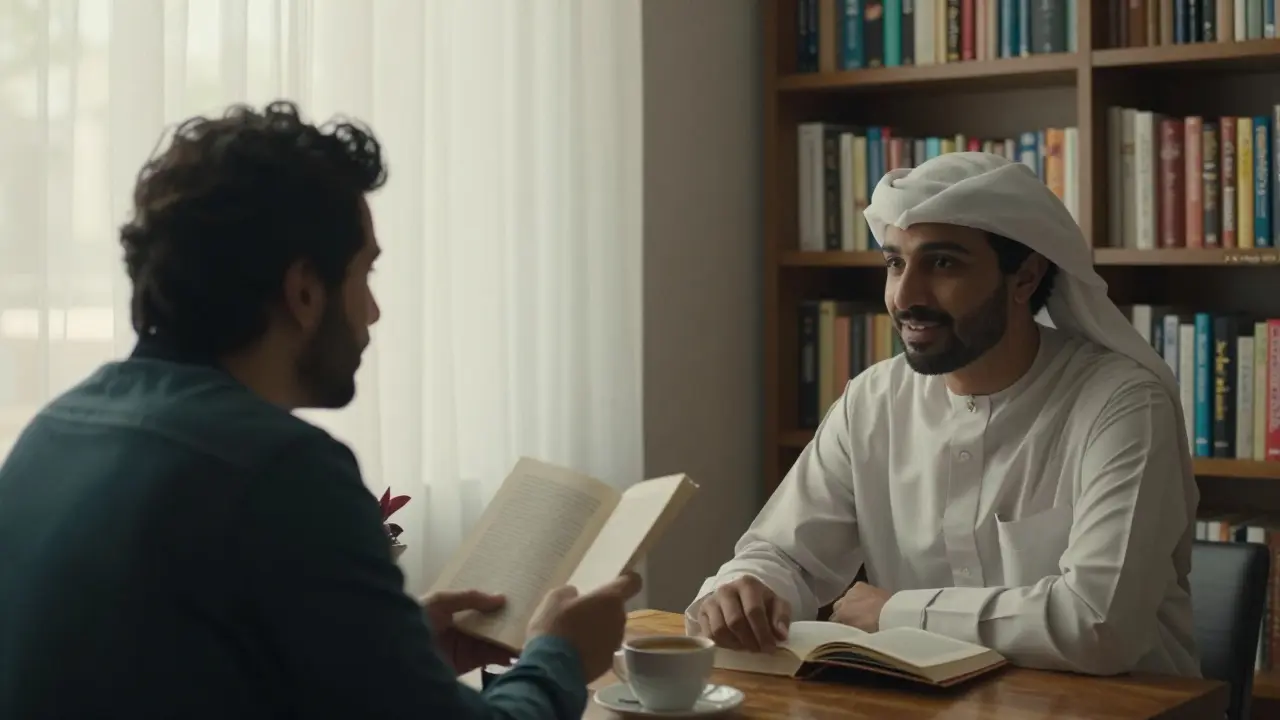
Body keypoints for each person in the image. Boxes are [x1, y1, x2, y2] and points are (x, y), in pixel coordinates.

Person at [0, 101, 640, 719]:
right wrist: (558, 657)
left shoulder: (53, 433)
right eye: (365, 275)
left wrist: (394, 650)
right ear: (305, 291)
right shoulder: (281, 471)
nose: (373, 312)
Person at [688, 152, 1201, 677]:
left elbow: (1099, 626)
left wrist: (893, 613)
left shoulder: (1122, 404)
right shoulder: (872, 401)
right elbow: (786, 556)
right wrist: (745, 590)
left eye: (943, 263)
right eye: (895, 263)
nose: (905, 296)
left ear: (1024, 278)